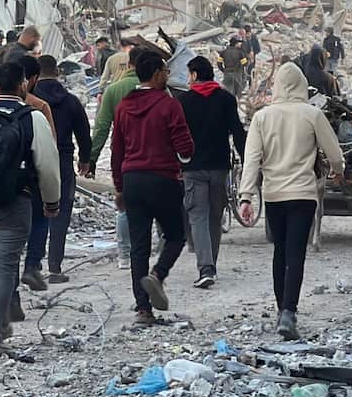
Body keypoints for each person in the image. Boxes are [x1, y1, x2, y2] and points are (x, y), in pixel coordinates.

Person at [240, 62, 344, 340]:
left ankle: (280, 310)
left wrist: (246, 197)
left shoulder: (262, 118)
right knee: (296, 252)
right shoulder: (312, 114)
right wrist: (338, 170)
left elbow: (251, 160)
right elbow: (334, 153)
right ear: (301, 85)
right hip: (303, 194)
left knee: (280, 251)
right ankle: (289, 311)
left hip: (274, 195)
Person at [0, 62, 61, 360]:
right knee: (4, 267)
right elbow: (48, 165)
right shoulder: (32, 117)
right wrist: (52, 201)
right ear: (23, 85)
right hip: (15, 202)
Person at [110, 52, 195, 325]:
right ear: (157, 74)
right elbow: (185, 147)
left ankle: (142, 310)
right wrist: (184, 158)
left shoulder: (123, 106)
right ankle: (157, 275)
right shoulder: (169, 105)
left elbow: (117, 151)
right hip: (163, 179)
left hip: (132, 180)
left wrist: (119, 187)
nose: (167, 76)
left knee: (139, 246)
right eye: (165, 72)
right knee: (175, 234)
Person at [177, 56, 246, 289]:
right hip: (219, 167)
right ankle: (211, 265)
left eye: (188, 74)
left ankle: (205, 267)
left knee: (198, 216)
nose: (187, 80)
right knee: (215, 216)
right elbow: (237, 131)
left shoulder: (183, 101)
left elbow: (175, 136)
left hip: (192, 167)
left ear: (195, 75)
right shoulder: (226, 99)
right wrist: (246, 160)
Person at [24, 56, 92, 287]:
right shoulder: (71, 101)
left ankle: (32, 264)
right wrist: (85, 160)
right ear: (57, 71)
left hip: (30, 160)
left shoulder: (29, 100)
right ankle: (54, 266)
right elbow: (84, 132)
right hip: (61, 160)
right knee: (60, 212)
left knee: (33, 212)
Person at [88, 45, 147, 269]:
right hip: (154, 155)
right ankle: (156, 248)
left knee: (124, 203)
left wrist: (91, 158)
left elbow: (101, 127)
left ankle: (124, 255)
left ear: (129, 63)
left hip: (124, 154)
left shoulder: (114, 90)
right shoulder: (159, 89)